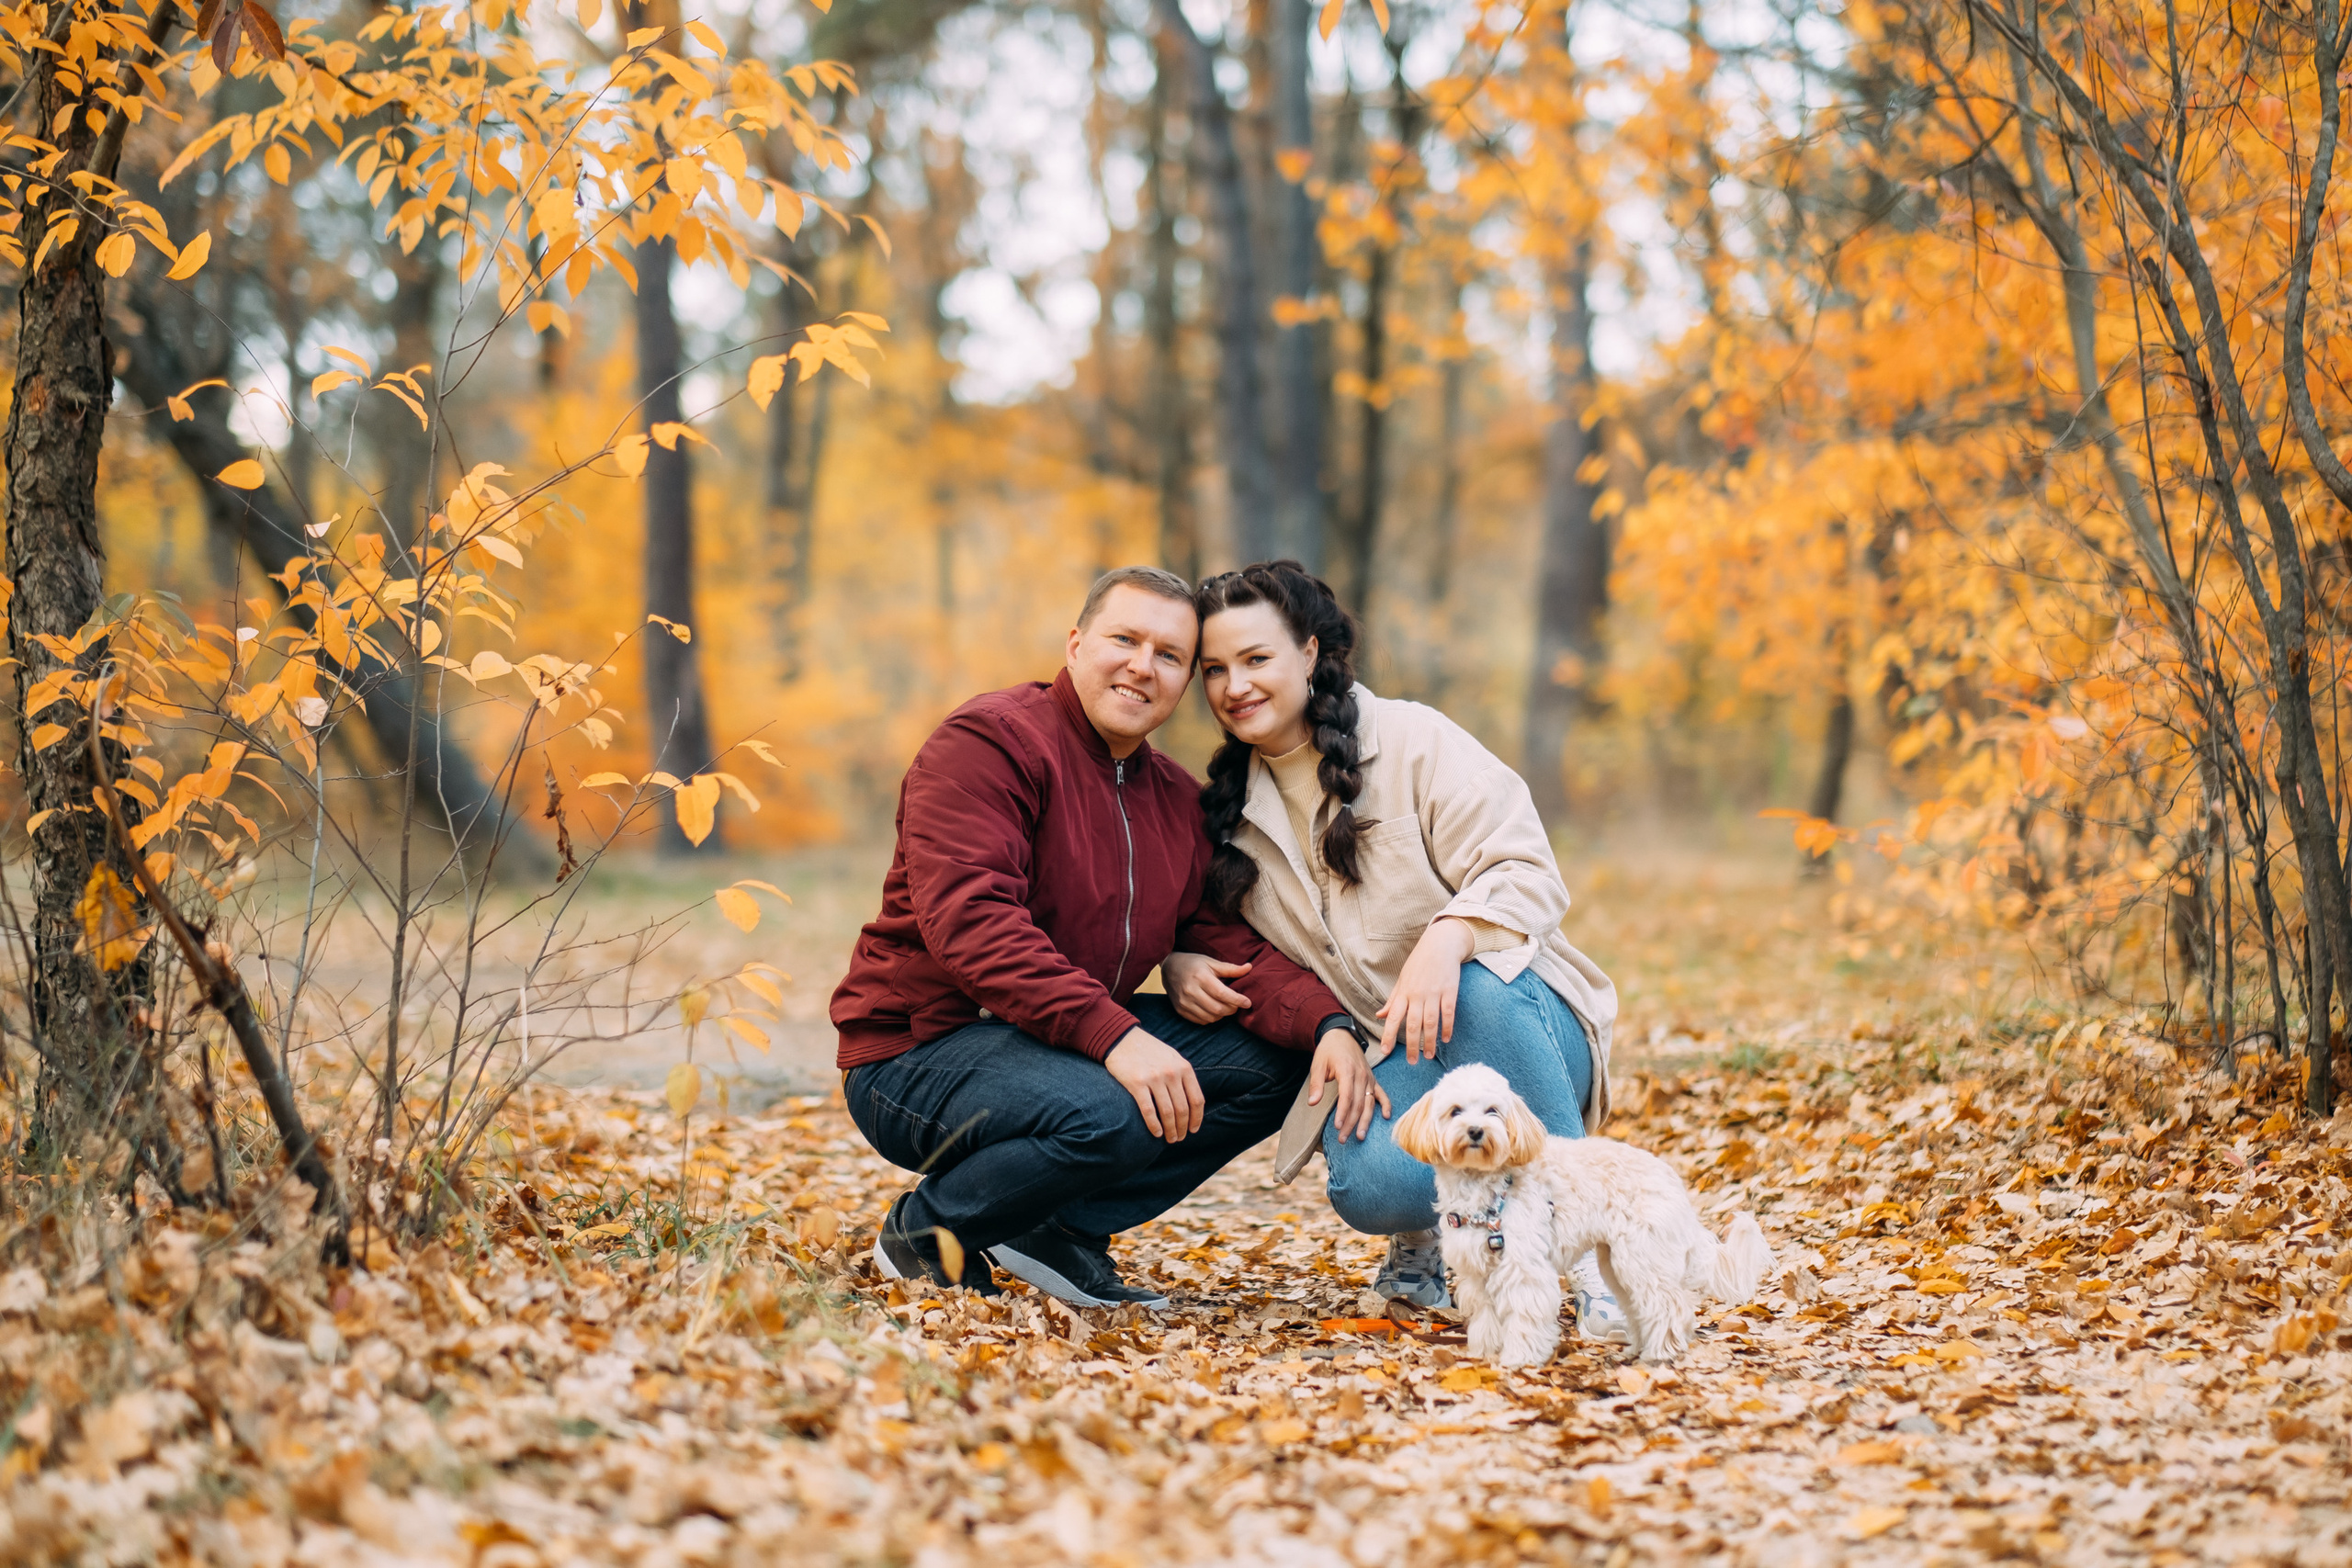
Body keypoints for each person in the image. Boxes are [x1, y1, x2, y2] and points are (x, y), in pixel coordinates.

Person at [831, 565, 1369, 1307]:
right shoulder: (989, 742)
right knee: (1107, 1109)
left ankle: (1051, 1228)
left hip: (1052, 1043)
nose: (1142, 666)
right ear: (1077, 644)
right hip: (920, 1049)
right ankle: (930, 1236)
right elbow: (973, 924)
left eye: (1170, 655)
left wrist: (1328, 1024)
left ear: (1184, 683)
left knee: (1269, 1059)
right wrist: (1113, 1035)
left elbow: (1227, 939)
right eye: (1125, 639)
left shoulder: (1176, 798)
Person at [1161, 560, 1628, 1339]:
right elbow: (1219, 934)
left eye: (1256, 659)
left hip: (1521, 1026)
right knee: (1367, 1185)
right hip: (1399, 1055)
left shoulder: (1412, 739)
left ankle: (1589, 1249)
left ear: (1309, 654)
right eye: (1214, 669)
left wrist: (1450, 937)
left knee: (1474, 988)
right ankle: (1435, 1229)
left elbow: (1529, 870)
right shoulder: (1228, 811)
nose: (1234, 685)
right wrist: (1178, 961)